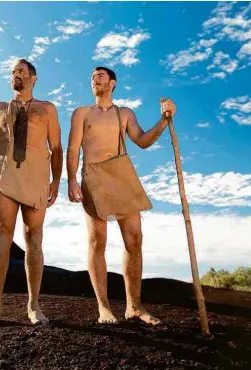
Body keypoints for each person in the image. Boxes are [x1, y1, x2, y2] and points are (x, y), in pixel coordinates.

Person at [66, 66, 176, 325]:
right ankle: (104, 308)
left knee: (135, 239)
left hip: (121, 172)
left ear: (112, 83)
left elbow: (143, 140)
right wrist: (71, 178)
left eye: (101, 76)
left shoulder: (124, 113)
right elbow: (73, 148)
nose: (95, 79)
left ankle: (134, 307)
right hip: (93, 174)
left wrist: (164, 120)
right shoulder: (81, 113)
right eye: (92, 76)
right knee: (97, 241)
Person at [0, 58, 63, 329]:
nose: (16, 74)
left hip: (37, 174)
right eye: (12, 72)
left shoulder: (47, 109)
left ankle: (34, 306)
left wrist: (56, 181)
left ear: (33, 78)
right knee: (1, 234)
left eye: (21, 71)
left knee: (34, 238)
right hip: (4, 173)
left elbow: (57, 147)